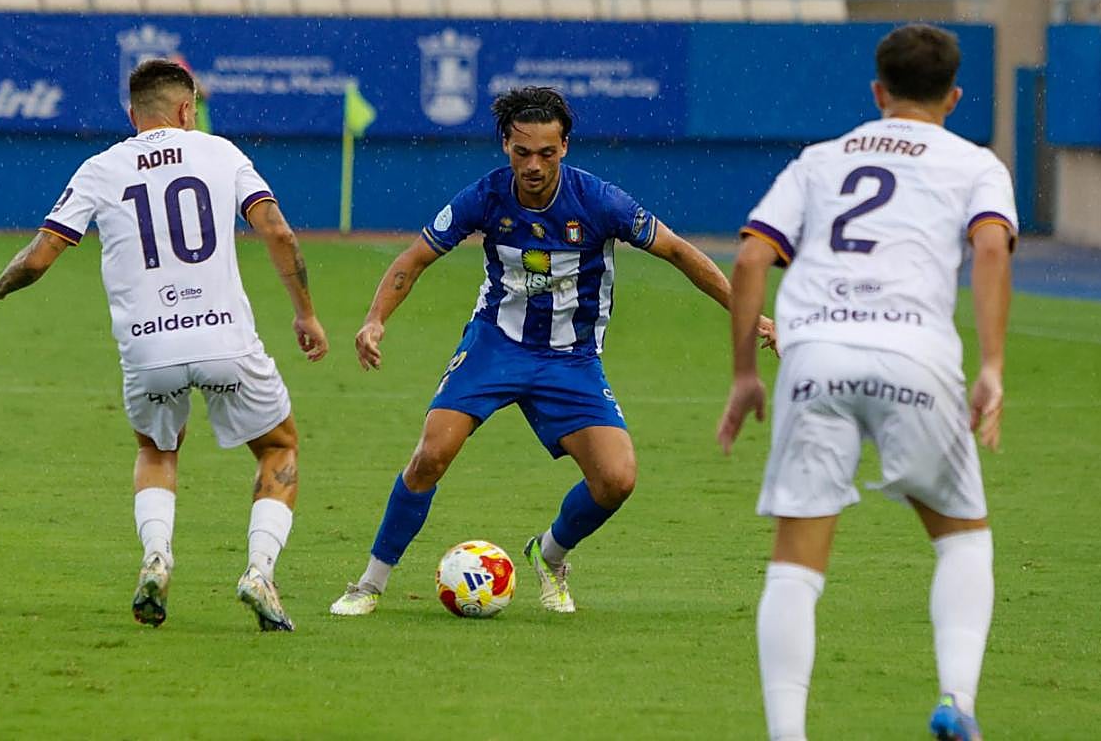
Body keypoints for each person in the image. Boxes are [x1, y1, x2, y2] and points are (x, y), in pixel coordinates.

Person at [330, 85, 775, 616]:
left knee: (616, 479)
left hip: (571, 359)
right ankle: (370, 584)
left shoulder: (600, 202)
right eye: (522, 153)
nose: (534, 165)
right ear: (505, 146)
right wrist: (375, 320)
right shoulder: (486, 197)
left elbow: (679, 252)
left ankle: (549, 555)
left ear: (565, 147)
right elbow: (414, 258)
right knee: (430, 455)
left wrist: (753, 317)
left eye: (546, 152)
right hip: (496, 344)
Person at [716, 24, 1015, 741]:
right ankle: (956, 702)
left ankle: (788, 735)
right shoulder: (976, 164)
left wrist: (744, 374)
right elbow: (991, 247)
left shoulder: (820, 160)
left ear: (878, 93)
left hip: (816, 356)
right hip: (916, 356)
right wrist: (992, 367)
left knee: (796, 564)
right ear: (955, 96)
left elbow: (753, 257)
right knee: (962, 540)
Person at [0, 59, 328, 632]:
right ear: (188, 109)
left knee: (158, 451)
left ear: (132, 114)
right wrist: (305, 313)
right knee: (278, 448)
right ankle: (260, 571)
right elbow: (279, 232)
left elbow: (39, 257)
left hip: (148, 349)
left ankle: (157, 557)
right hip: (225, 340)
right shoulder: (220, 153)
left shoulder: (100, 168)